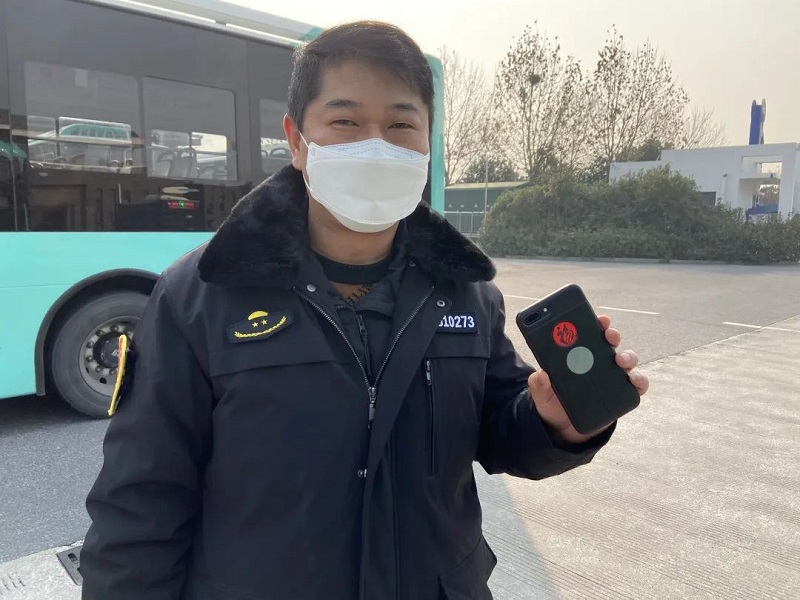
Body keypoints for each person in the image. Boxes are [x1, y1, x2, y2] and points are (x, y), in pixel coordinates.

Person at [80, 20, 649, 600]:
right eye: (346, 122)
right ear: (297, 141)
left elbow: (500, 431)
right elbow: (140, 503)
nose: (376, 146)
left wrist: (558, 423)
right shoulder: (200, 295)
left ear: (427, 142)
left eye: (401, 124)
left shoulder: (465, 293)